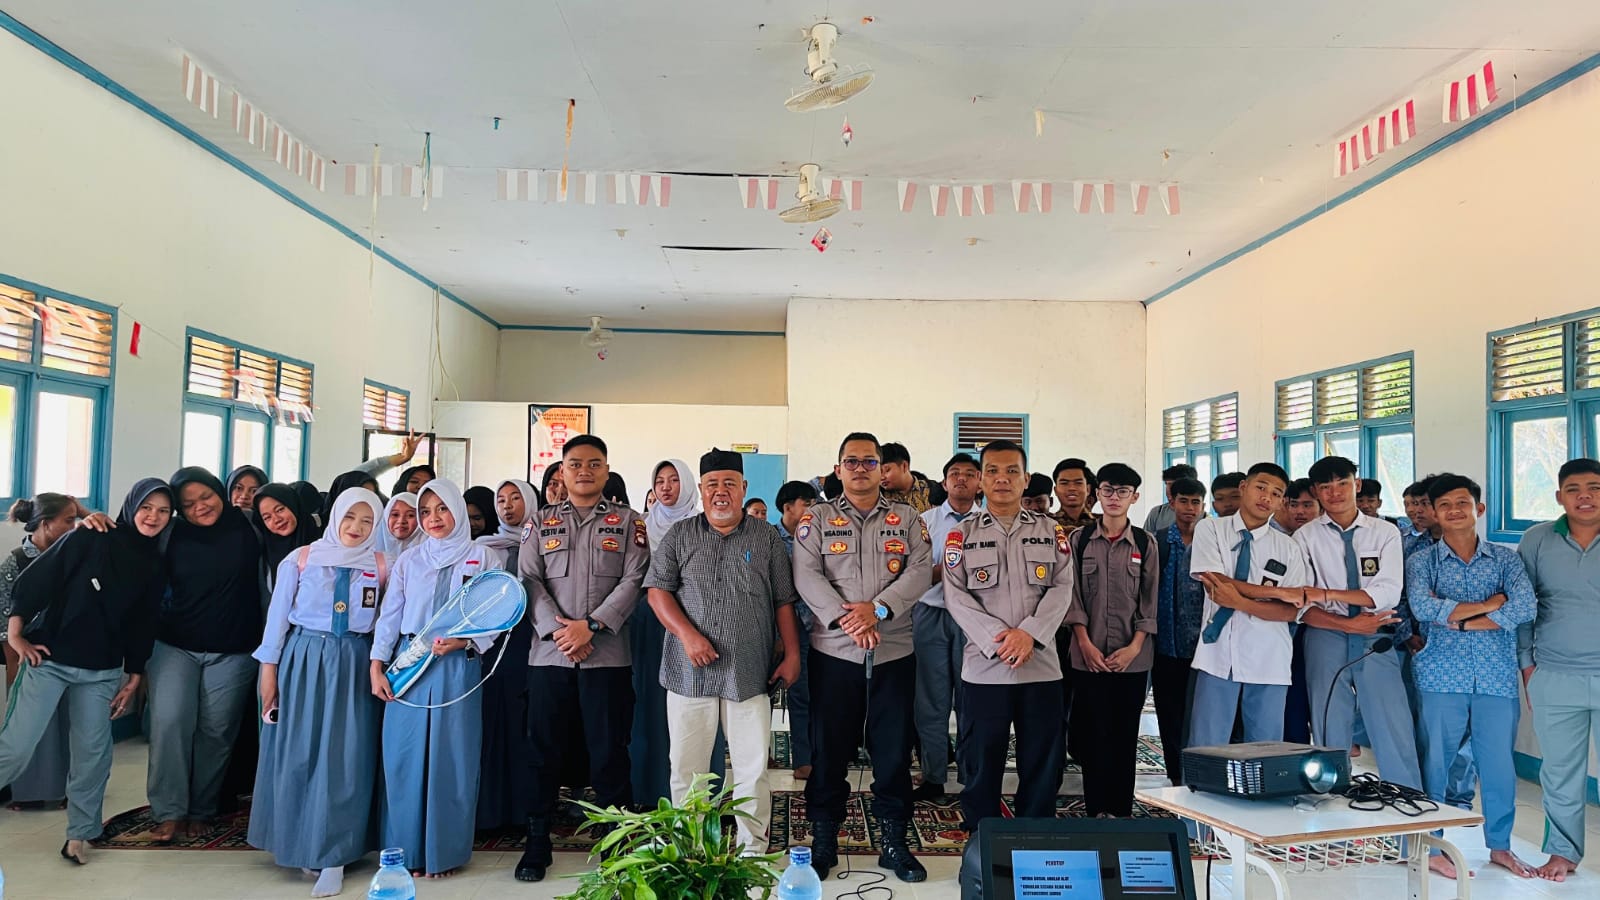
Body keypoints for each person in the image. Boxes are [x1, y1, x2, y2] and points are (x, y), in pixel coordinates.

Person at [0, 479, 168, 864]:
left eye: (163, 511)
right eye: (147, 507)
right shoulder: (92, 535)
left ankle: (80, 833)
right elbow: (36, 580)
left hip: (102, 671)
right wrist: (16, 635)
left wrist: (135, 673)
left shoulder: (154, 563)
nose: (153, 517)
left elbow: (143, 622)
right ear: (132, 507)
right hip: (48, 662)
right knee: (17, 746)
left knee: (93, 754)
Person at [645, 449, 802, 854]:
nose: (721, 492)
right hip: (688, 671)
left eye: (729, 484)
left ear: (744, 488)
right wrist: (688, 636)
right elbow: (657, 592)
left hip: (748, 671)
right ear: (701, 490)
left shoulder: (765, 537)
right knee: (687, 767)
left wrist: (792, 654)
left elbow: (783, 600)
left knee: (752, 768)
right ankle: (689, 848)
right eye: (712, 484)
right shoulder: (680, 534)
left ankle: (752, 849)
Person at [793, 432, 931, 882]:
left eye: (869, 461)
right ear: (838, 469)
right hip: (835, 653)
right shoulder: (817, 518)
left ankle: (894, 843)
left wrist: (880, 610)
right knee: (829, 750)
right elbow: (806, 575)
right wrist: (849, 619)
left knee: (893, 751)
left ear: (881, 468)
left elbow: (919, 571)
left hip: (894, 652)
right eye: (850, 461)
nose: (859, 468)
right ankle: (824, 841)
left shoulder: (907, 518)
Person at [515, 436, 649, 882]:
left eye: (594, 464)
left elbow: (635, 578)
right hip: (549, 656)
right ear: (562, 472)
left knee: (610, 752)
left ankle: (617, 844)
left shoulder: (628, 523)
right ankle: (537, 843)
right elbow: (528, 579)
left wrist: (590, 626)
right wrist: (560, 630)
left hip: (606, 657)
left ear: (606, 471)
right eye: (575, 464)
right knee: (542, 752)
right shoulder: (540, 522)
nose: (584, 471)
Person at [249, 488, 388, 897]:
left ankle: (335, 854)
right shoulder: (302, 559)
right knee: (300, 751)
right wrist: (268, 672)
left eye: (367, 520)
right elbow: (277, 619)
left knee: (345, 756)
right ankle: (299, 841)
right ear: (335, 517)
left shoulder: (382, 565)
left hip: (354, 662)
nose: (356, 527)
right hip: (304, 658)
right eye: (349, 517)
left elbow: (387, 620)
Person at [370, 479, 507, 879]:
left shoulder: (483, 557)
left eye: (442, 509)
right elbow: (390, 615)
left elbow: (497, 613)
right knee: (403, 756)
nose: (434, 518)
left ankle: (443, 853)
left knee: (453, 756)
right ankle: (405, 851)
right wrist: (377, 665)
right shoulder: (410, 560)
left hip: (457, 663)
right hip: (409, 661)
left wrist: (468, 642)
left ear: (458, 511)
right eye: (426, 511)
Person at [1406, 474, 1537, 880]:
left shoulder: (1505, 559)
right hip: (1439, 676)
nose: (1454, 511)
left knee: (1498, 766)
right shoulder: (1422, 562)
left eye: (1462, 503)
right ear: (1434, 513)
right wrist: (1490, 604)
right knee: (1435, 765)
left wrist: (1461, 619)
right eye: (1444, 505)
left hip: (1496, 677)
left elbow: (1525, 607)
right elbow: (1424, 608)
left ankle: (1500, 846)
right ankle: (1430, 846)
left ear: (1478, 509)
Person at [943, 440, 1072, 831]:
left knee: (1043, 760)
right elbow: (956, 595)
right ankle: (982, 835)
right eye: (993, 471)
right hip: (986, 667)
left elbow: (1062, 587)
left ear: (1026, 479)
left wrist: (1029, 635)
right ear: (980, 480)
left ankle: (1036, 834)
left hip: (1040, 667)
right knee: (981, 760)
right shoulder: (961, 535)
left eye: (1012, 471)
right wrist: (1001, 638)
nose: (1003, 479)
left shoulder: (1051, 531)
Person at [144, 467, 264, 841]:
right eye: (189, 504)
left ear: (219, 492)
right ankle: (169, 811)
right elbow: (129, 540)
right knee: (169, 723)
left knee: (217, 732)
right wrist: (87, 517)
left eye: (206, 497)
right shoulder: (170, 532)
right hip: (175, 645)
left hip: (235, 650)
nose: (200, 507)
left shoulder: (249, 525)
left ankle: (201, 809)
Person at [1294, 457, 1419, 798]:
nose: (1335, 492)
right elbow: (1302, 604)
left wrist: (1327, 594)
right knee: (1328, 724)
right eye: (1325, 487)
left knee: (1392, 724)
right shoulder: (1305, 537)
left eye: (1342, 484)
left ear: (1357, 484)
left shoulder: (1385, 532)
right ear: (1316, 491)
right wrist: (1346, 620)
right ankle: (1330, 803)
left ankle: (1407, 809)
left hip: (1375, 636)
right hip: (1325, 636)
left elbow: (1387, 591)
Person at [1185, 463, 1308, 749]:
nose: (1266, 497)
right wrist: (1275, 593)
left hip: (1269, 655)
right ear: (1244, 487)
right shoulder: (1211, 528)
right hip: (1217, 653)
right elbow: (1214, 581)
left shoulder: (1288, 547)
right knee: (1207, 744)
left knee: (1265, 747)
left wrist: (1239, 601)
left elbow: (1291, 609)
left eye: (1276, 494)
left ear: (1281, 502)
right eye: (1261, 487)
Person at [1518, 457, 1600, 883]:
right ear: (1559, 497)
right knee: (1559, 772)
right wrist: (1527, 666)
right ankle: (1562, 853)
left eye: (1594, 488)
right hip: (1553, 673)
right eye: (1574, 490)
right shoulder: (1537, 539)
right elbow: (1522, 607)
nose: (1585, 497)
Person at [1065, 463, 1159, 817]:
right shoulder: (1080, 540)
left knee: (1123, 734)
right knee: (1092, 733)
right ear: (1097, 493)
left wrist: (1135, 647)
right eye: (1107, 490)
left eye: (1122, 492)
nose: (1114, 498)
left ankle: (1120, 810)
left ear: (1134, 497)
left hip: (1132, 659)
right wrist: (1084, 643)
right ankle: (1096, 809)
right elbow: (1072, 596)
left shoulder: (1145, 543)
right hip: (1087, 655)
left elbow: (1149, 600)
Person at [629, 459, 708, 809]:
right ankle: (650, 790)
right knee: (650, 704)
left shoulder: (702, 525)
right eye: (659, 480)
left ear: (687, 484)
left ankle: (696, 797)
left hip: (694, 622)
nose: (665, 487)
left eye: (674, 480)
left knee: (695, 705)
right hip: (649, 621)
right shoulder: (641, 526)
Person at [0, 493, 81, 809]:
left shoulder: (72, 555)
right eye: (68, 520)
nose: (74, 526)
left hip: (69, 649)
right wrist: (16, 659)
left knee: (67, 723)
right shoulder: (17, 562)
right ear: (46, 524)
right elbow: (5, 623)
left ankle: (62, 789)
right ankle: (27, 793)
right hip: (29, 654)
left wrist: (82, 510)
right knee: (29, 728)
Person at [911, 453, 981, 803]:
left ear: (980, 483)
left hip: (976, 619)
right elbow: (912, 572)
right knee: (931, 701)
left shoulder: (989, 522)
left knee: (973, 699)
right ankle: (934, 775)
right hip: (931, 614)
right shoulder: (925, 522)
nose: (961, 479)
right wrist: (946, 572)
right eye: (955, 473)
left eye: (969, 474)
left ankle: (972, 775)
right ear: (944, 482)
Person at [474, 479, 540, 833]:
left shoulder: (542, 541)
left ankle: (525, 809)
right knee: (491, 721)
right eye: (501, 500)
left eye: (516, 498)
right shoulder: (484, 548)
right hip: (489, 644)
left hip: (532, 641)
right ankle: (490, 809)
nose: (507, 505)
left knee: (525, 723)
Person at [1152, 477, 1207, 785]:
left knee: (1200, 715)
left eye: (1196, 502)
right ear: (1172, 503)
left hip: (1205, 647)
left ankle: (1199, 774)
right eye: (1184, 501)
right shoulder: (1157, 541)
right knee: (1169, 714)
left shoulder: (1211, 542)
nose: (1190, 508)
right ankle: (1177, 777)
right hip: (1165, 646)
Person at [774, 480, 820, 780]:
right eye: (807, 504)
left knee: (815, 693)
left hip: (816, 624)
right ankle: (800, 759)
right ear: (788, 507)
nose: (812, 510)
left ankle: (813, 757)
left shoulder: (816, 535)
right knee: (792, 693)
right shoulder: (769, 538)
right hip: (782, 626)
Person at [880, 442, 938, 514]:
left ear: (904, 466)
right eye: (878, 472)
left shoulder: (933, 491)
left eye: (887, 470)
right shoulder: (877, 498)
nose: (881, 477)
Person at [1143, 463, 1197, 534]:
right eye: (1166, 484)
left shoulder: (1202, 517)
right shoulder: (1157, 513)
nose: (1168, 490)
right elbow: (1144, 539)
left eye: (1173, 485)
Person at [1051, 458, 1098, 533]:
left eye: (1078, 483)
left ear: (1088, 489)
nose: (1071, 488)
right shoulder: (1046, 523)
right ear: (1055, 490)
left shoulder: (1102, 523)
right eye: (1064, 483)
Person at [380, 491, 423, 560]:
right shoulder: (370, 552)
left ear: (420, 519)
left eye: (410, 515)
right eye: (395, 514)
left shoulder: (429, 554)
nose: (401, 521)